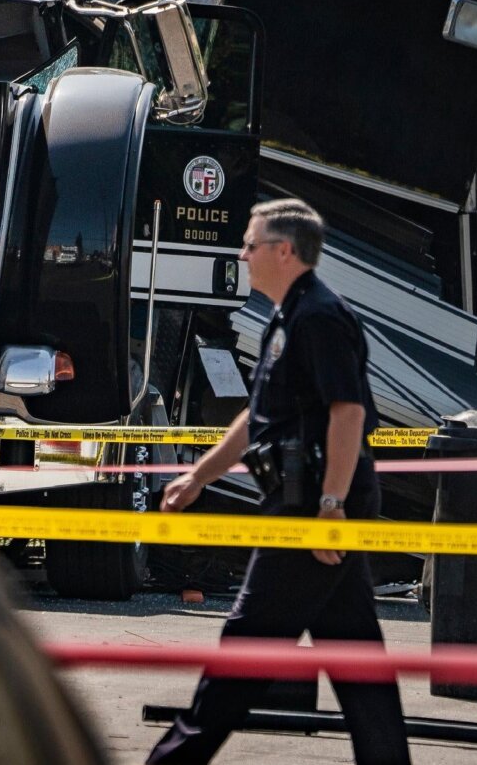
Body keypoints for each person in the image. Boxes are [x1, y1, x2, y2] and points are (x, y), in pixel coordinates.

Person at [147, 198, 410, 765]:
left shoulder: (319, 318)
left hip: (313, 505)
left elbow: (349, 414)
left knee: (244, 645)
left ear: (284, 251)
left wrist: (331, 508)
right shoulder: (287, 316)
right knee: (357, 657)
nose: (242, 255)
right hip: (310, 498)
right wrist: (197, 478)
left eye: (250, 244)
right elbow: (259, 417)